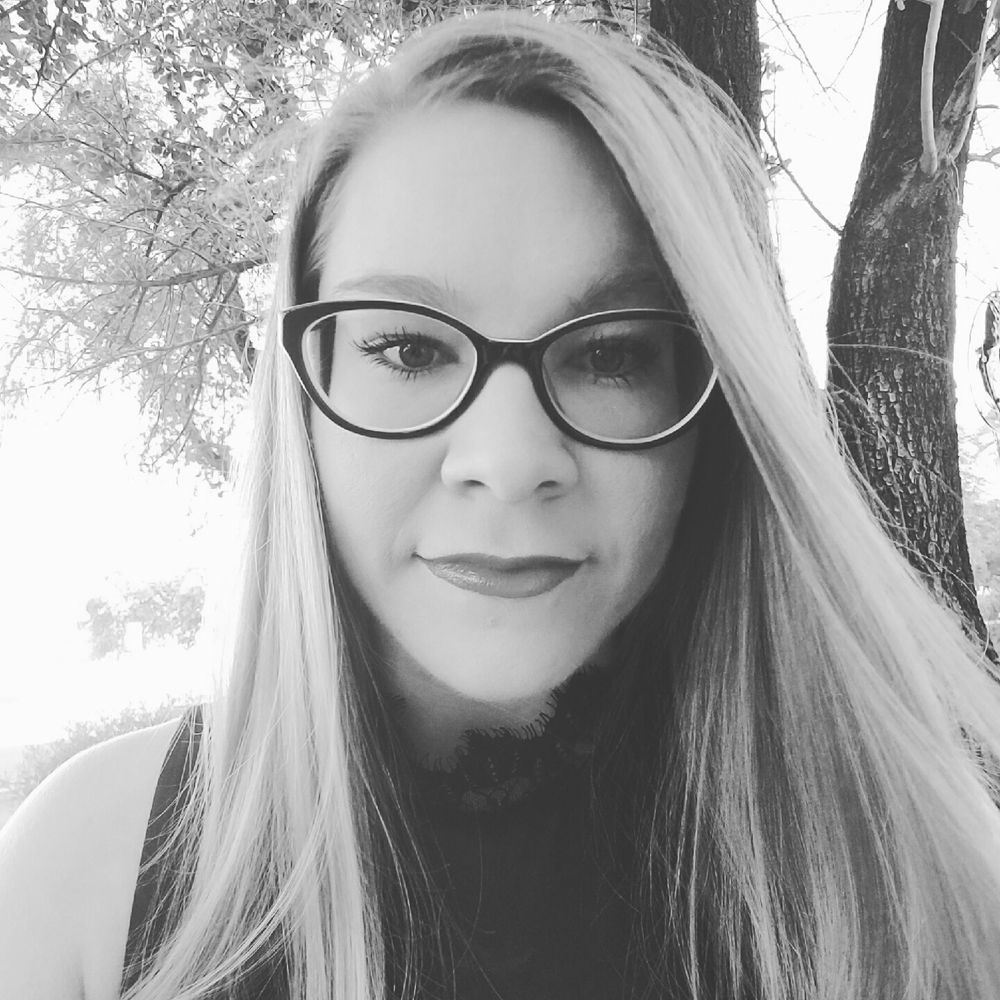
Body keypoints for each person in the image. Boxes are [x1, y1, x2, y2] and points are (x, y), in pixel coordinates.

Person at [3, 9, 1000, 1000]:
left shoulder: (917, 879)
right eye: (408, 348)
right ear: (305, 394)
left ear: (721, 406)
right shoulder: (88, 873)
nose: (511, 461)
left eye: (611, 355)